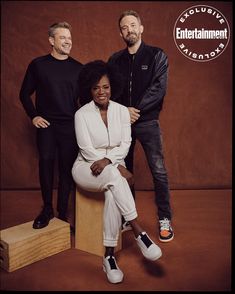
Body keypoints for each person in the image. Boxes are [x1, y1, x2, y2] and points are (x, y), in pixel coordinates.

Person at [72, 60, 162, 284]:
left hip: (110, 167)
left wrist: (110, 161)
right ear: (88, 90)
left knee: (113, 188)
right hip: (86, 167)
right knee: (116, 177)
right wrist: (116, 165)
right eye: (95, 88)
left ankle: (108, 257)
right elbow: (86, 149)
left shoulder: (122, 111)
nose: (101, 92)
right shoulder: (81, 115)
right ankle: (139, 231)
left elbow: (125, 144)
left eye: (105, 87)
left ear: (112, 87)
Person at [108, 10, 174, 242]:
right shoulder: (115, 59)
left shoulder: (157, 55)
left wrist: (134, 110)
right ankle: (128, 216)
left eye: (133, 25)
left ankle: (165, 218)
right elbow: (110, 90)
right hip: (121, 122)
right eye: (124, 27)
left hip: (147, 122)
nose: (129, 30)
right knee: (124, 171)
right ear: (120, 33)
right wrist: (122, 112)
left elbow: (159, 87)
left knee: (158, 170)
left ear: (141, 28)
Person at [19, 22, 83, 229]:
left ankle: (62, 214)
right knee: (46, 163)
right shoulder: (38, 65)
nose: (68, 41)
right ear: (51, 41)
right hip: (46, 126)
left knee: (66, 170)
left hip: (69, 127)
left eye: (69, 38)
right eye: (63, 37)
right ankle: (47, 209)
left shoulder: (78, 68)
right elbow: (24, 94)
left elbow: (84, 103)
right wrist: (34, 116)